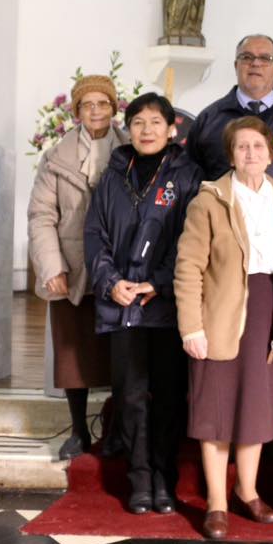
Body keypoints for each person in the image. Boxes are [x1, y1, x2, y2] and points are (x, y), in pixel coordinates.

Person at [174, 116, 273, 540]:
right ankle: (216, 502)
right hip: (221, 315)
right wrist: (191, 327)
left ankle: (247, 491)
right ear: (230, 154)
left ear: (272, 151)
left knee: (256, 407)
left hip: (272, 312)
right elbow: (189, 267)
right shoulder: (209, 200)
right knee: (216, 410)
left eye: (258, 145)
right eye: (242, 146)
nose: (251, 153)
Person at [84, 93, 202, 515]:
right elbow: (95, 234)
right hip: (122, 304)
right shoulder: (113, 175)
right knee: (130, 395)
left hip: (167, 305)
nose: (146, 130)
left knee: (169, 395)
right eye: (138, 123)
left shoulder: (189, 176)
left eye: (155, 122)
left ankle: (164, 479)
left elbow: (192, 241)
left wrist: (158, 282)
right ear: (127, 129)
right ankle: (138, 480)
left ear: (172, 129)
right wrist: (110, 282)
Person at [27, 74, 122, 459]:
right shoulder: (57, 157)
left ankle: (115, 431)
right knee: (73, 351)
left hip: (119, 266)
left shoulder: (133, 148)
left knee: (121, 352)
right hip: (73, 263)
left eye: (103, 103)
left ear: (114, 108)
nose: (95, 110)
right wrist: (52, 266)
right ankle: (79, 431)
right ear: (77, 110)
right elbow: (41, 215)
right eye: (88, 104)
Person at [187, 35, 273, 197]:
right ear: (236, 65)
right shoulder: (208, 120)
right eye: (246, 57)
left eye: (265, 58)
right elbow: (189, 182)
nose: (255, 63)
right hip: (222, 218)